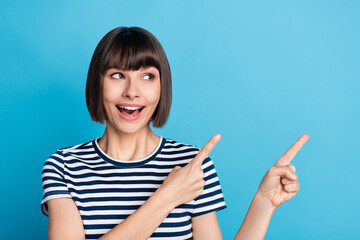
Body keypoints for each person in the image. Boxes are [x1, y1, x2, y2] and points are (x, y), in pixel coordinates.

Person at [41, 26, 309, 240]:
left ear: (162, 86)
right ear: (96, 84)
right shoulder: (64, 166)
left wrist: (263, 203)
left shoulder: (192, 164)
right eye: (117, 75)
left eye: (147, 76)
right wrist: (167, 196)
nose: (132, 91)